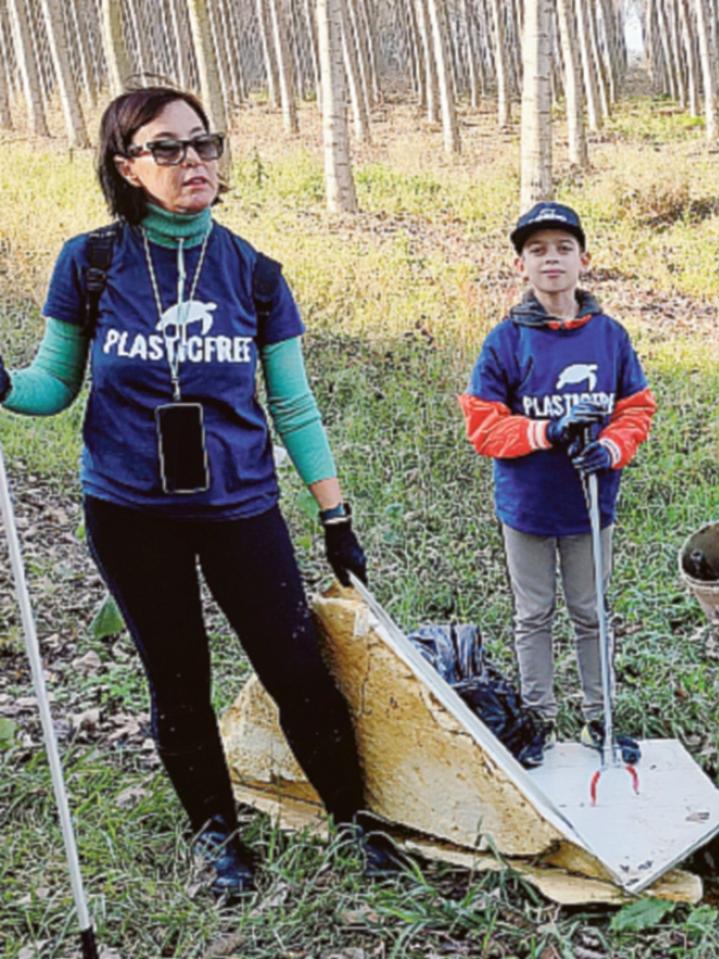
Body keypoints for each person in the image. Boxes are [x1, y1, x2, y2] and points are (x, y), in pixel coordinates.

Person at [0, 87, 407, 898]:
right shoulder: (90, 263)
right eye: (168, 148)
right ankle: (218, 838)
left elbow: (292, 403)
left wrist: (334, 512)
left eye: (204, 143)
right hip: (128, 513)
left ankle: (357, 821)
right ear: (126, 167)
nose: (194, 162)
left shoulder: (254, 273)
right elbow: (53, 383)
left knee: (296, 667)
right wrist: (4, 383)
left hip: (241, 509)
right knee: (177, 678)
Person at [459, 201, 656, 769]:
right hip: (527, 505)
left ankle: (603, 717)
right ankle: (537, 720)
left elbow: (636, 407)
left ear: (583, 260)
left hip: (591, 505)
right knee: (533, 614)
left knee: (591, 611)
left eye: (563, 249)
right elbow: (483, 424)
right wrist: (547, 430)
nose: (551, 260)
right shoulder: (505, 342)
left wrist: (611, 448)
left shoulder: (609, 337)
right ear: (521, 264)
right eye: (538, 250)